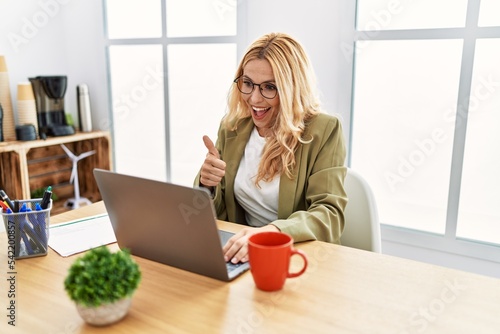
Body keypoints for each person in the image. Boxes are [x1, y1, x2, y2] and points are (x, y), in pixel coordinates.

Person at [195, 32, 347, 264]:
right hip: (243, 254)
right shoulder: (232, 128)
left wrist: (270, 233)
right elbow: (217, 213)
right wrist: (207, 185)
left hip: (294, 257)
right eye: (247, 84)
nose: (254, 98)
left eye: (269, 87)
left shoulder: (324, 130)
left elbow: (329, 215)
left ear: (292, 89)